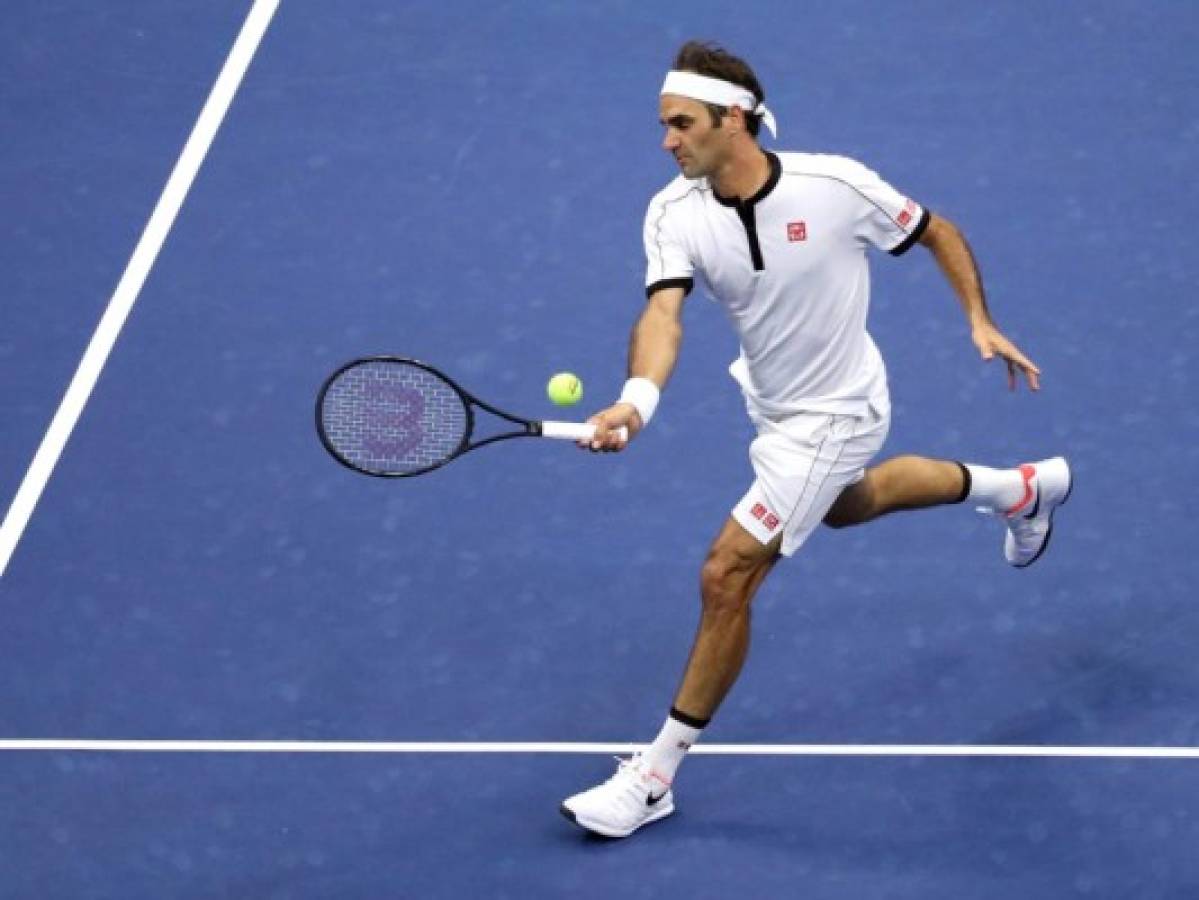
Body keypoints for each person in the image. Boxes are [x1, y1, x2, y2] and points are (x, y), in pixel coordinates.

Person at [559, 41, 1072, 838]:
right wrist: (635, 402)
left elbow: (935, 231)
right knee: (845, 505)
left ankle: (655, 773)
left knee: (727, 572)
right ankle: (1019, 489)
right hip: (771, 406)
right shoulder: (672, 212)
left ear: (734, 119)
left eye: (680, 124)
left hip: (840, 409)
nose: (666, 141)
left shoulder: (834, 185)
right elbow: (664, 313)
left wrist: (978, 316)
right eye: (664, 126)